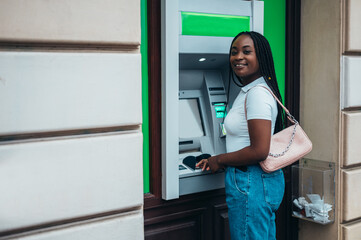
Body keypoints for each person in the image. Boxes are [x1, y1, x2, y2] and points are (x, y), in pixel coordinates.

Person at [196, 31, 286, 240]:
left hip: (250, 181)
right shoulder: (253, 90)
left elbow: (259, 150)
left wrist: (218, 159)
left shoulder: (257, 94)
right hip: (257, 180)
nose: (238, 57)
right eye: (234, 52)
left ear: (261, 57)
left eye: (247, 52)